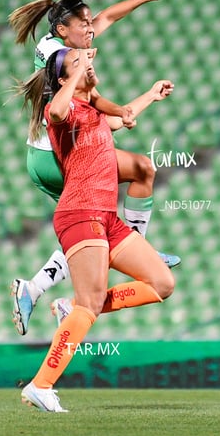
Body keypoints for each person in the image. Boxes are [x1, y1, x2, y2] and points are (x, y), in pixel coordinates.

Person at [8, 0, 180, 336]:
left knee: (99, 216)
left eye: (89, 24)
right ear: (62, 29)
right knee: (122, 189)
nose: (91, 29)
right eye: (84, 24)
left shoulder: (67, 44)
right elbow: (83, 108)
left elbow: (107, 19)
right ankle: (130, 251)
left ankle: (35, 288)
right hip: (57, 152)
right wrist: (121, 105)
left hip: (46, 155)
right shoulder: (61, 55)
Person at [19, 47, 175, 412]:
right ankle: (40, 385)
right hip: (79, 213)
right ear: (62, 79)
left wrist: (151, 94)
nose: (89, 64)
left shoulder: (92, 113)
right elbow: (55, 109)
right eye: (77, 62)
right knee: (91, 304)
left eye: (88, 60)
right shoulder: (63, 111)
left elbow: (125, 115)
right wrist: (76, 74)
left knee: (163, 283)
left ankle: (69, 306)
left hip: (107, 217)